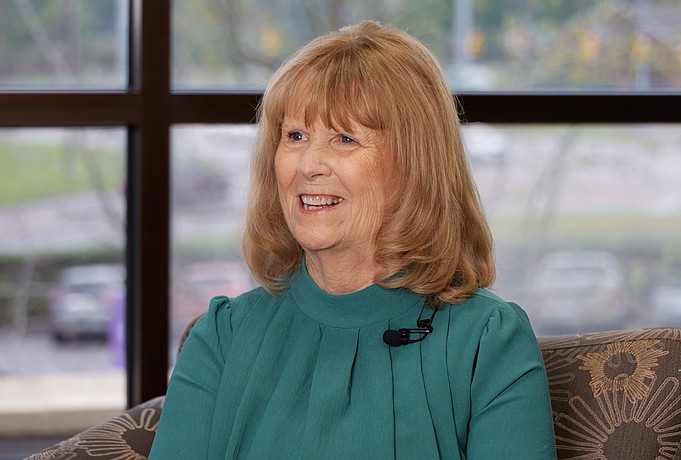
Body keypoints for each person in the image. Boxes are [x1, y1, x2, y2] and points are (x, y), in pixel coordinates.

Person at [149, 20, 556, 459]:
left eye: (344, 139)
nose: (309, 165)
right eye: (296, 136)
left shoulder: (488, 342)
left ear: (414, 165)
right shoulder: (223, 337)